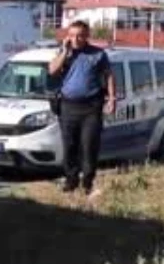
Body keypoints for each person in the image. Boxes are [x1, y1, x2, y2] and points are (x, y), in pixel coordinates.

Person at [48, 20, 116, 196]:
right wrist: (64, 51)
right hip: (68, 106)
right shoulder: (64, 53)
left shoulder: (98, 54)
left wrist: (112, 98)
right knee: (69, 145)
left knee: (89, 145)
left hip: (91, 107)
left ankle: (87, 182)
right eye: (72, 35)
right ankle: (71, 181)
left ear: (87, 36)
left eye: (80, 35)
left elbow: (109, 75)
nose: (76, 39)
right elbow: (52, 71)